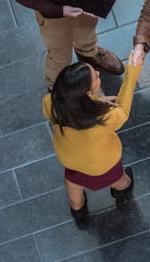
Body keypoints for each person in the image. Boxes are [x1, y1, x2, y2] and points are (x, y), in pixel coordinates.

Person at [43, 51, 143, 221]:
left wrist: (97, 100)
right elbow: (123, 111)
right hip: (102, 165)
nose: (98, 74)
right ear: (87, 94)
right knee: (120, 179)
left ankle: (77, 207)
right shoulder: (104, 119)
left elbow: (74, 105)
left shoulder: (50, 103)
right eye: (96, 77)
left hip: (71, 160)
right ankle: (121, 191)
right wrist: (132, 71)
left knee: (73, 183)